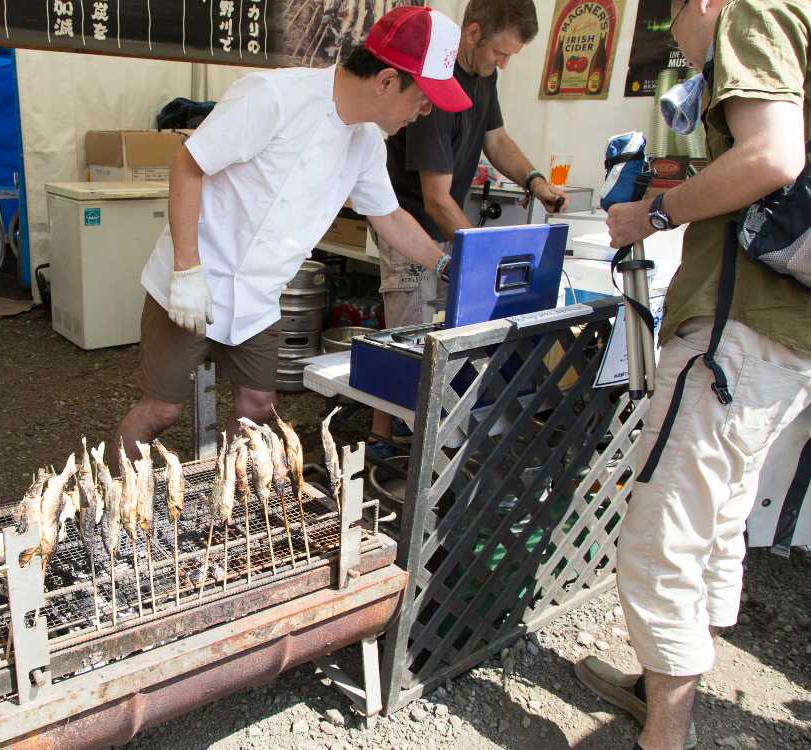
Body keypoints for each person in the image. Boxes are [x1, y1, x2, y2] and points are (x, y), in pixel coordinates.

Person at [575, 1, 810, 749]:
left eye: (673, 23)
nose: (677, 44)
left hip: (729, 338)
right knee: (713, 524)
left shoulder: (753, 10)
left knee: (660, 537)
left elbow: (773, 155)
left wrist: (655, 214)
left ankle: (664, 734)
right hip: (783, 338)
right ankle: (661, 692)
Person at [114, 6, 472, 463]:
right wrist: (186, 267)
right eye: (422, 98)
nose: (425, 111)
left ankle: (232, 495)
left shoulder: (366, 142)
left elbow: (390, 216)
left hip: (259, 294)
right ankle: (112, 491)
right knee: (161, 410)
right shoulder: (275, 97)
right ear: (386, 80)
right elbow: (188, 164)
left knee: (258, 409)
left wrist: (447, 265)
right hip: (196, 274)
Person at [368, 0, 569, 455]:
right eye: (501, 52)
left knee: (443, 334)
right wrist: (485, 256)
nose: (504, 64)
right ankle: (384, 440)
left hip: (445, 225)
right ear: (473, 33)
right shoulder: (436, 88)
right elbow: (436, 198)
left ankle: (421, 430)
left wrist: (535, 181)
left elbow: (496, 139)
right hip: (408, 224)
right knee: (408, 336)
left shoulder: (483, 75)